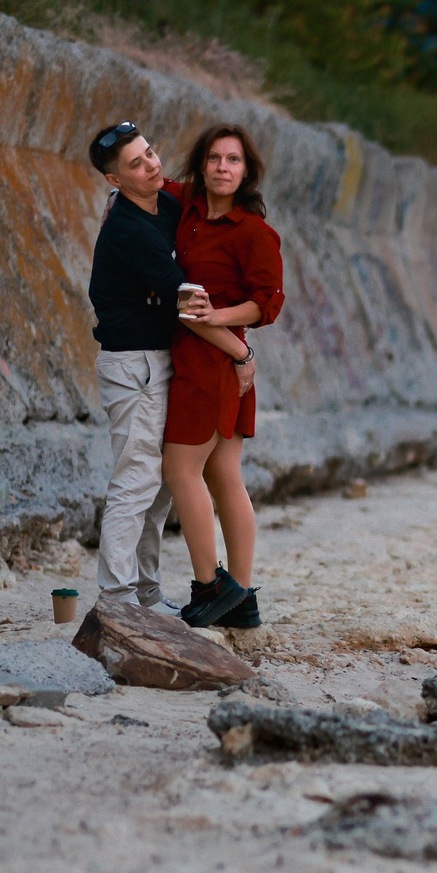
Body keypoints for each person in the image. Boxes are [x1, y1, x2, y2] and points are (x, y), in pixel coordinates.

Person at [162, 124, 285, 629]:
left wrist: (220, 319)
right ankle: (243, 599)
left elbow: (268, 302)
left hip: (213, 363)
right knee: (222, 473)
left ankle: (211, 586)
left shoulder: (253, 232)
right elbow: (150, 181)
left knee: (181, 470)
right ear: (202, 164)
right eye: (214, 158)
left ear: (246, 172)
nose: (222, 168)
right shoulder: (187, 208)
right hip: (211, 358)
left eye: (233, 160)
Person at [84, 121, 205, 609]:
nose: (152, 165)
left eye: (151, 153)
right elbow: (188, 298)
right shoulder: (129, 230)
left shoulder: (164, 202)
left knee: (158, 492)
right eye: (136, 163)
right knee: (136, 482)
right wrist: (242, 348)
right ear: (115, 181)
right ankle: (116, 598)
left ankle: (148, 596)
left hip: (160, 359)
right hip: (132, 366)